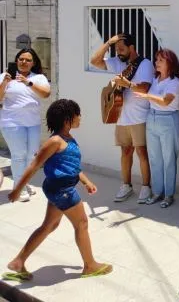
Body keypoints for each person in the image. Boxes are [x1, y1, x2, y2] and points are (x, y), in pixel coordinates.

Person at [3, 99, 112, 282]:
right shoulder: (55, 141)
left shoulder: (68, 138)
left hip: (59, 188)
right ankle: (90, 265)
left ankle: (18, 262)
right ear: (67, 119)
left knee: (49, 226)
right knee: (82, 224)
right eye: (77, 114)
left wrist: (86, 181)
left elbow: (72, 166)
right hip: (62, 190)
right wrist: (17, 189)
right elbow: (33, 166)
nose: (80, 118)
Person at [90, 33, 154, 203]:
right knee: (125, 152)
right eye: (116, 49)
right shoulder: (118, 62)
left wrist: (127, 84)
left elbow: (145, 88)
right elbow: (94, 61)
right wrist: (108, 43)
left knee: (141, 152)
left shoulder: (145, 64)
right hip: (121, 116)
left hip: (139, 116)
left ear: (132, 48)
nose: (118, 52)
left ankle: (146, 187)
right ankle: (126, 185)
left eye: (122, 49)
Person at [0, 49, 51, 202]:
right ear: (16, 61)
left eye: (28, 60)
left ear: (33, 63)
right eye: (21, 59)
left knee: (31, 156)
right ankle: (18, 187)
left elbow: (46, 94)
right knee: (18, 155)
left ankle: (23, 183)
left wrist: (28, 82)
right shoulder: (5, 76)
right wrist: (5, 83)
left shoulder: (39, 77)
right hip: (11, 122)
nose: (24, 62)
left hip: (32, 123)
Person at [134, 49, 179, 208]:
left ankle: (168, 195)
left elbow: (165, 101)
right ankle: (157, 192)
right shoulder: (155, 79)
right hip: (152, 118)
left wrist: (147, 96)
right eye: (156, 60)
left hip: (168, 120)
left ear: (170, 63)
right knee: (155, 158)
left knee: (169, 159)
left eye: (160, 60)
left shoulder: (174, 82)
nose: (156, 63)